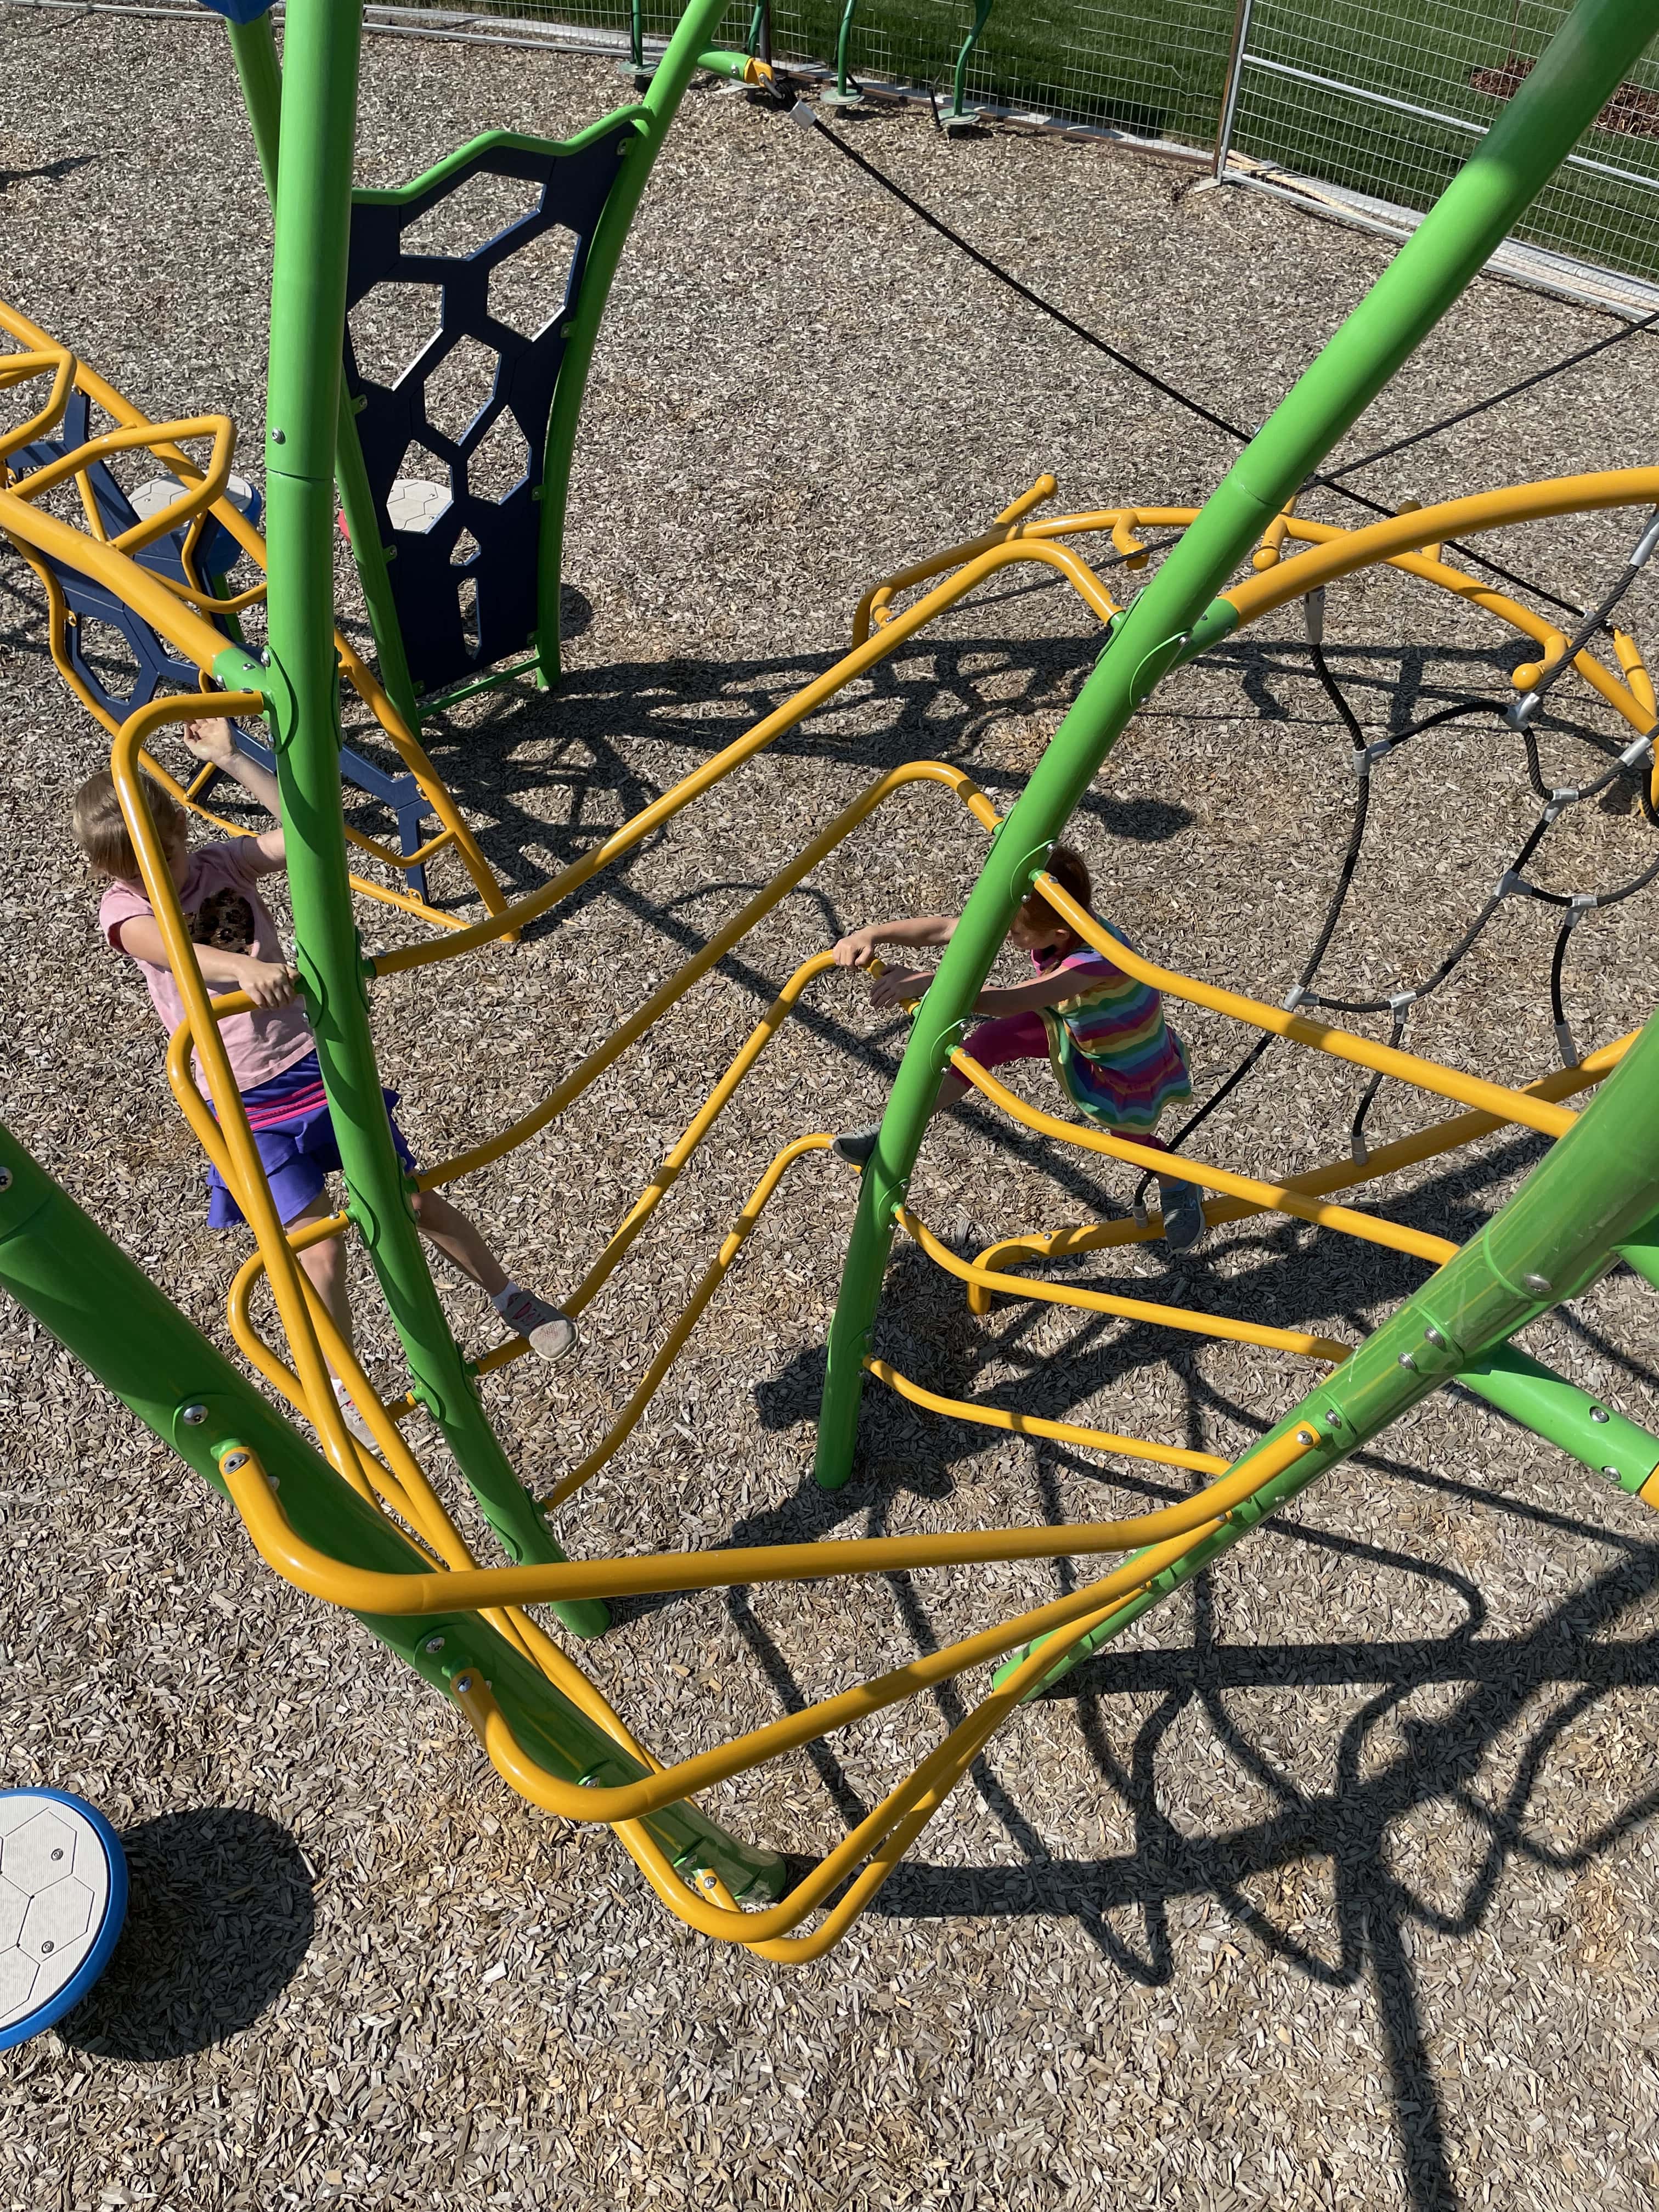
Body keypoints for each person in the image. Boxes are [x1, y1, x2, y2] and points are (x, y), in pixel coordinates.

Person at [74, 718, 576, 1443]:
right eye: (134, 869)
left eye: (164, 852)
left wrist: (233, 758)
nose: (156, 873)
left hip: (313, 1065)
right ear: (110, 874)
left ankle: (512, 1298)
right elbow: (164, 947)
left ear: (180, 830)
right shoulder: (126, 907)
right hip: (242, 1097)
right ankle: (346, 1386)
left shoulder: (221, 865)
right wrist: (244, 967)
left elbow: (312, 838)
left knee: (410, 1202)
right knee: (320, 1246)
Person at [829, 844, 1206, 1251]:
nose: (1006, 935)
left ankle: (1177, 1179)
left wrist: (930, 982)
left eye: (1015, 933)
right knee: (985, 1044)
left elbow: (1012, 1000)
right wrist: (871, 934)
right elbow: (946, 929)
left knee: (1126, 1137)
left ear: (1058, 935)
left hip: (1124, 1057)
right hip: (1068, 1023)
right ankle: (892, 1133)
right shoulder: (1047, 918)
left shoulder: (1095, 959)